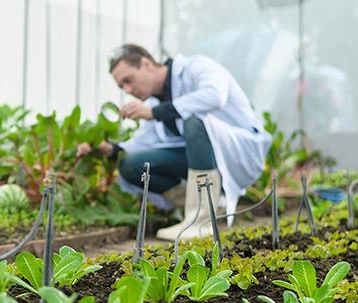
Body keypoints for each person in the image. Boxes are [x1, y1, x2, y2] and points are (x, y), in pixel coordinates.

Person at [77, 44, 270, 240]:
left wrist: (155, 113)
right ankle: (206, 208)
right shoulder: (155, 102)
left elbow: (215, 96)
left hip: (239, 150)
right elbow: (141, 143)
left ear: (146, 64)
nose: (127, 90)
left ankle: (201, 221)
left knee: (194, 121)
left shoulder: (197, 67)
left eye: (128, 80)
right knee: (131, 165)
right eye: (121, 86)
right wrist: (109, 149)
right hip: (202, 158)